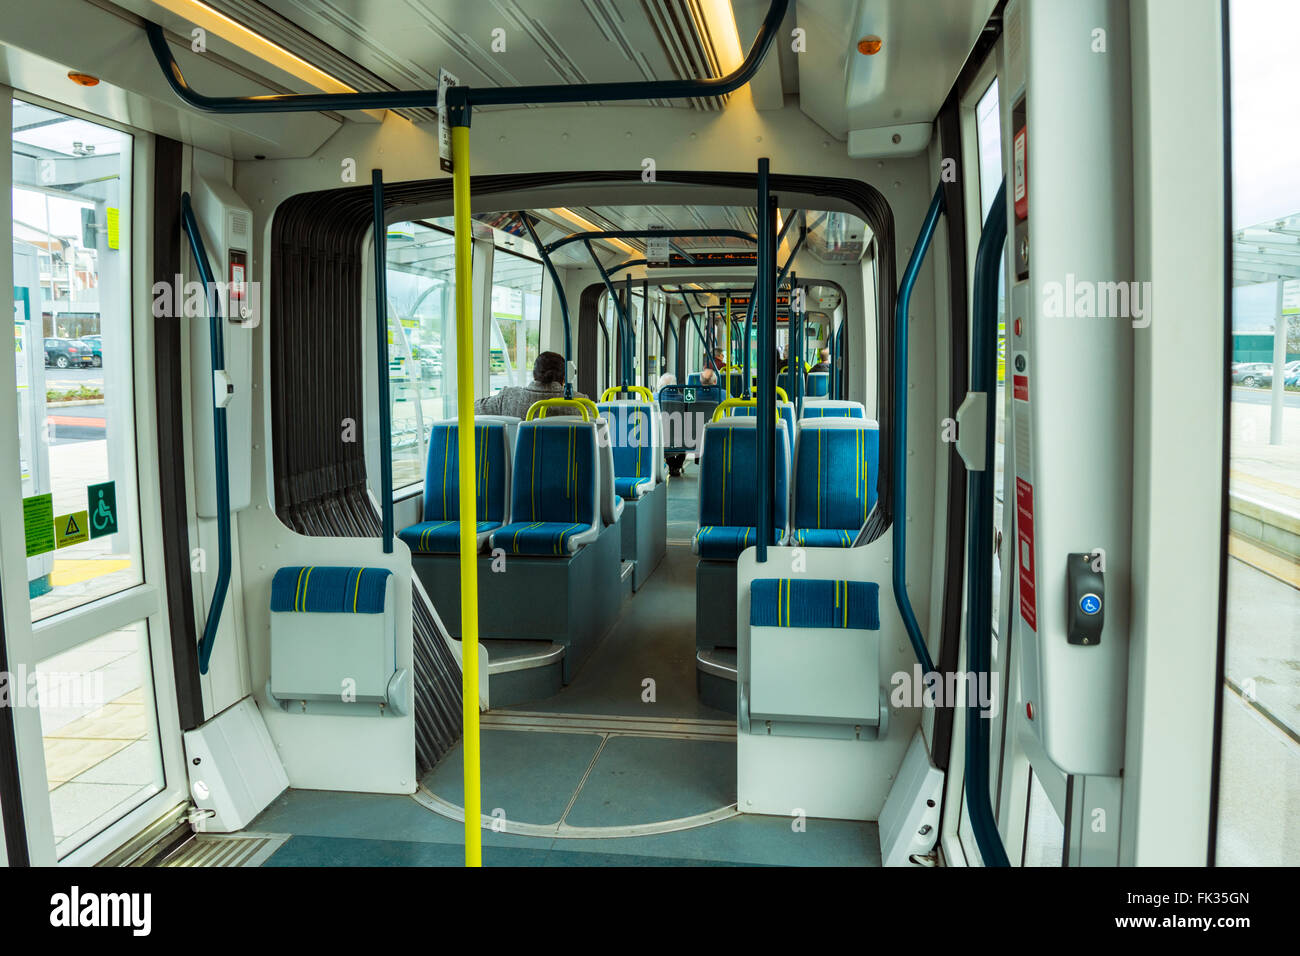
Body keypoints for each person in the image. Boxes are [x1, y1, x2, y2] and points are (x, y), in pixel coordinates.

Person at [473, 350, 588, 419]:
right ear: (564, 378)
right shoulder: (581, 403)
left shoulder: (507, 398)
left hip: (517, 460)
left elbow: (474, 408)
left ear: (534, 374)